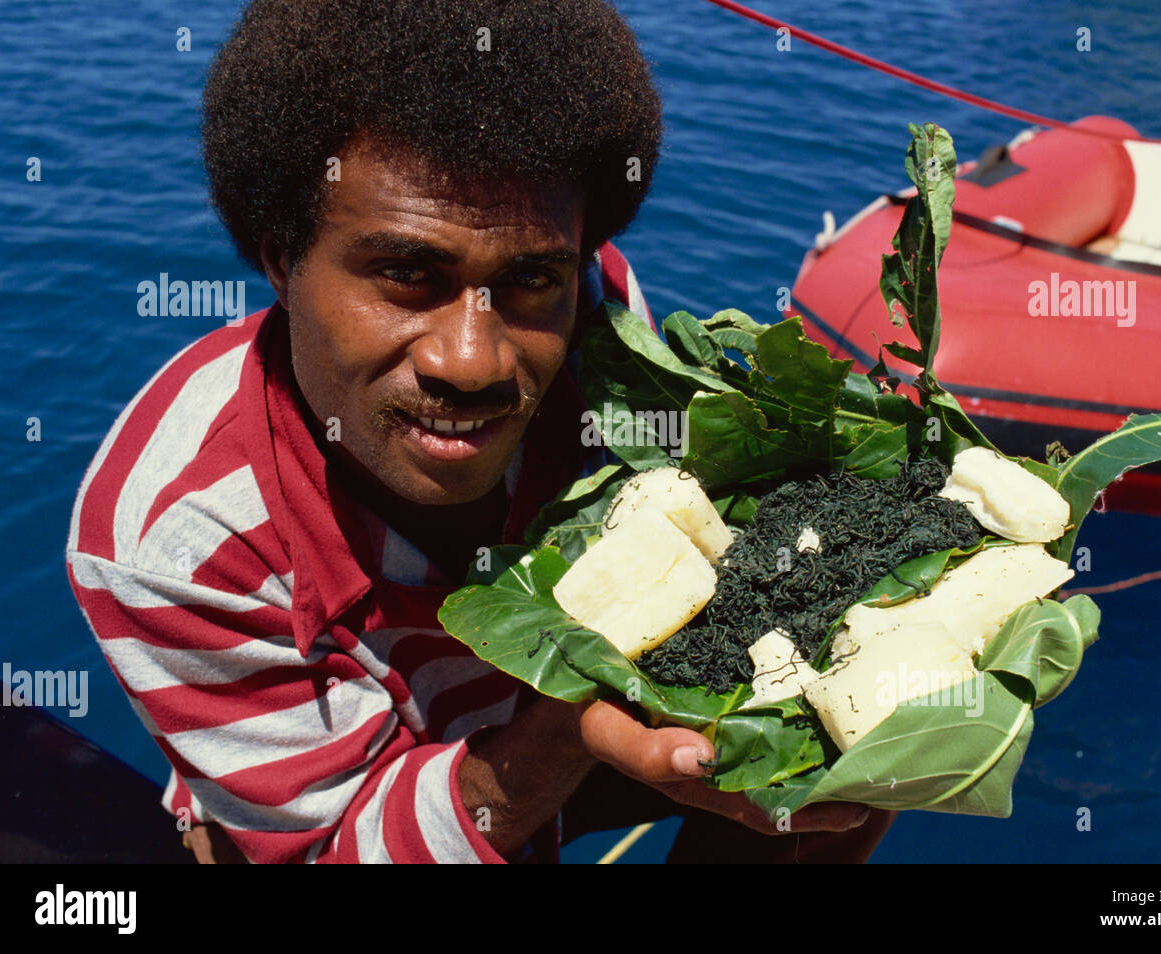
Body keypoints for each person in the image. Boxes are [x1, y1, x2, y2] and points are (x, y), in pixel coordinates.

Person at [66, 0, 893, 863]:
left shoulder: (600, 328)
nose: (473, 361)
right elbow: (338, 848)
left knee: (858, 754)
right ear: (281, 256)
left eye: (532, 276)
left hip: (557, 719)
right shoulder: (176, 537)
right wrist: (576, 726)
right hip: (350, 800)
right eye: (407, 272)